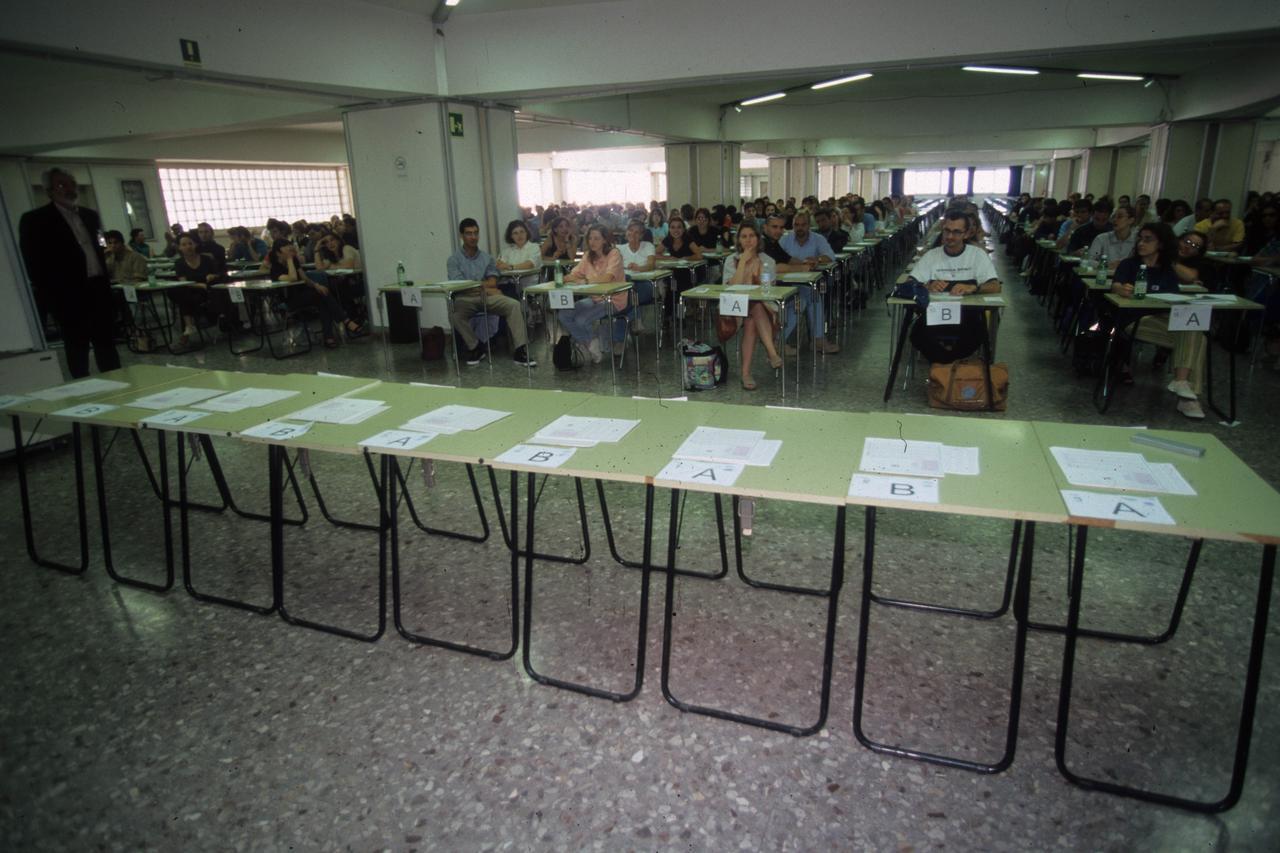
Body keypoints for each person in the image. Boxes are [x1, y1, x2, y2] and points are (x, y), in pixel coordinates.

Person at [18, 167, 121, 377]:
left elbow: (99, 248)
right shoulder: (35, 219)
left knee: (106, 342)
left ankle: (118, 381)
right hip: (67, 293)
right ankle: (81, 385)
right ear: (49, 191)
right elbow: (33, 263)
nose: (69, 189)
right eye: (61, 185)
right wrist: (52, 296)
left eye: (72, 184)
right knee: (77, 345)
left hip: (97, 287)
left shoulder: (90, 216)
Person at [1111, 223, 1208, 419]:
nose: (1141, 243)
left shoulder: (1167, 269)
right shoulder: (1129, 264)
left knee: (1195, 332)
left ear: (1161, 244)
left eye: (1148, 239)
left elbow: (1174, 296)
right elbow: (1116, 286)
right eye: (1140, 238)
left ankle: (1182, 385)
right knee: (1197, 339)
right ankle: (1188, 399)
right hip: (1135, 321)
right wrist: (1122, 290)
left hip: (1163, 319)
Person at [446, 218, 535, 366]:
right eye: (469, 233)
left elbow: (493, 282)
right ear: (461, 236)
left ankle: (520, 350)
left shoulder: (487, 258)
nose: (473, 237)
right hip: (466, 299)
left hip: (486, 297)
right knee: (455, 314)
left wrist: (483, 288)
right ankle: (475, 347)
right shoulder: (453, 260)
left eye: (476, 233)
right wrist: (488, 289)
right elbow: (460, 286)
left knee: (514, 305)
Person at [269, 238, 364, 349]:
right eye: (285, 248)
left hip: (306, 294)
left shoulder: (294, 261)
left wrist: (317, 285)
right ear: (278, 253)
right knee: (322, 296)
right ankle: (345, 321)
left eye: (289, 246)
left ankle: (329, 337)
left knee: (323, 296)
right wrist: (289, 259)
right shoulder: (275, 268)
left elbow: (305, 278)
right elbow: (293, 278)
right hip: (290, 300)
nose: (289, 249)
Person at [721, 221, 782, 390]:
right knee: (753, 311)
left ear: (758, 238)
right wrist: (742, 263)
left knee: (753, 316)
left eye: (752, 236)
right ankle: (771, 352)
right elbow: (731, 288)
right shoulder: (731, 260)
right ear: (738, 240)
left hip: (762, 307)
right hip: (734, 307)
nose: (748, 240)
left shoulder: (768, 261)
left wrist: (758, 267)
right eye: (744, 236)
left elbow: (767, 291)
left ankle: (746, 373)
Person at [559, 225, 625, 363]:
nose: (592, 242)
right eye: (590, 238)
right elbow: (575, 273)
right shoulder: (588, 255)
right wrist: (564, 278)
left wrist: (584, 281)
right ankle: (590, 342)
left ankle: (589, 344)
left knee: (581, 320)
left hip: (613, 299)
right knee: (564, 314)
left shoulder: (614, 254)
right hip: (595, 298)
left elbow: (608, 277)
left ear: (605, 240)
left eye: (596, 238)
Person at [778, 211, 839, 355]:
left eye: (803, 224)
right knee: (801, 300)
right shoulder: (785, 239)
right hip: (784, 283)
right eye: (796, 225)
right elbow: (775, 260)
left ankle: (818, 340)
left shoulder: (818, 239)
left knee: (814, 296)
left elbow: (830, 256)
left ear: (809, 226)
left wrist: (818, 259)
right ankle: (778, 341)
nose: (800, 228)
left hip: (806, 283)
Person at [170, 232, 221, 347]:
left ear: (195, 244)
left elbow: (218, 273)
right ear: (179, 247)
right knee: (182, 294)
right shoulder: (179, 263)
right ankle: (189, 325)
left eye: (190, 243)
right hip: (192, 290)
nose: (188, 247)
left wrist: (212, 276)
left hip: (208, 290)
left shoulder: (206, 259)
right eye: (184, 245)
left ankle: (189, 326)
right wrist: (199, 285)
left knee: (184, 298)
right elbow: (183, 281)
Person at [617, 220, 656, 332]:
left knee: (626, 298)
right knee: (625, 296)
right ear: (626, 232)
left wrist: (638, 268)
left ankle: (623, 331)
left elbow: (651, 265)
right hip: (625, 285)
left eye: (637, 232)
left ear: (641, 235)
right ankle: (636, 318)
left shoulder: (648, 246)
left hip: (645, 283)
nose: (633, 234)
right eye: (630, 230)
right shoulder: (619, 248)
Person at [1087, 205, 1138, 269]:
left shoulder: (1137, 240)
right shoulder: (1102, 238)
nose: (1115, 220)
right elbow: (1088, 260)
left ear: (1131, 220)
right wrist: (1106, 265)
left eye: (1119, 217)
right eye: (1114, 217)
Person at [495, 219, 543, 284]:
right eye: (515, 233)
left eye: (522, 232)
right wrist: (501, 265)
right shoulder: (507, 250)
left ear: (526, 233)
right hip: (510, 284)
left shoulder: (534, 247)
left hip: (530, 286)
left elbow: (530, 264)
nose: (519, 235)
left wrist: (510, 267)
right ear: (511, 236)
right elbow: (499, 264)